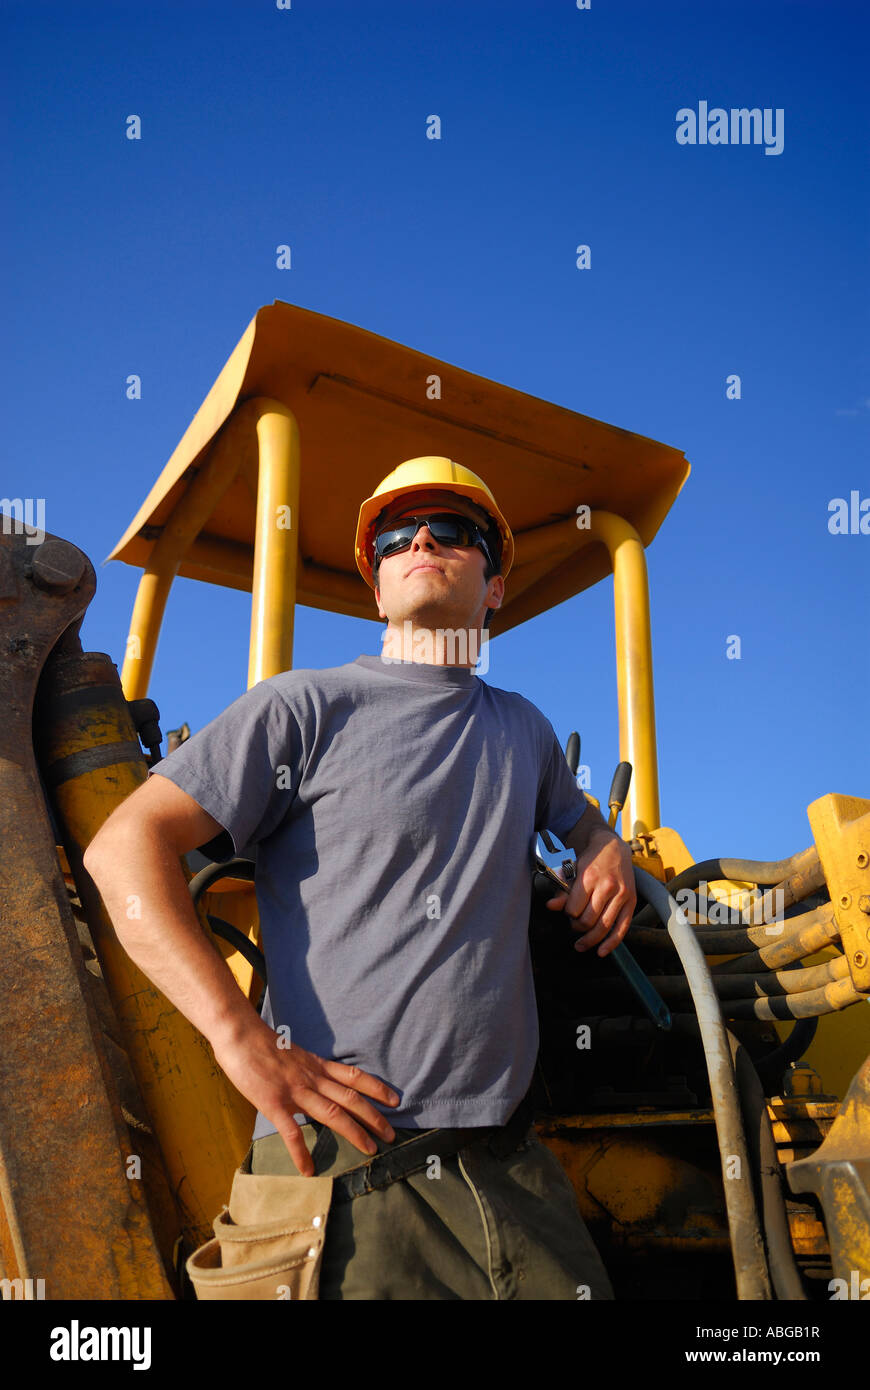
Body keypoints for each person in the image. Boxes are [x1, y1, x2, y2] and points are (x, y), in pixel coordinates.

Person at [84, 455, 637, 1300]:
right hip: (348, 1175)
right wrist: (242, 1040)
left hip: (513, 1176)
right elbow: (122, 850)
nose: (420, 539)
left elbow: (581, 819)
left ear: (493, 587)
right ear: (376, 586)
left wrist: (604, 845)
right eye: (394, 534)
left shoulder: (522, 730)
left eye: (452, 530)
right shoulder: (301, 708)